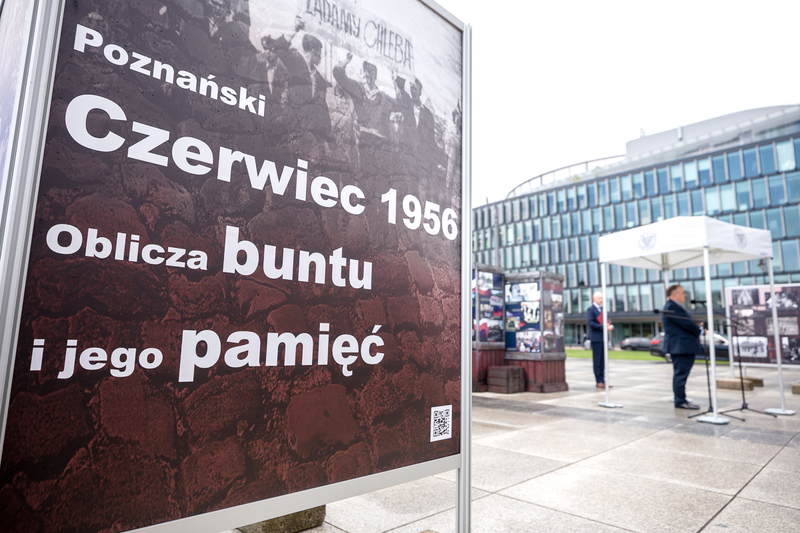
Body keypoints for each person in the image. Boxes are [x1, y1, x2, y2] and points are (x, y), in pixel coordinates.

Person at [662, 285, 702, 410]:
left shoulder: (674, 307)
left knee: (681, 374)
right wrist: (699, 330)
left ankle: (680, 398)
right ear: (675, 294)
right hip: (681, 347)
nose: (685, 295)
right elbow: (687, 324)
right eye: (683, 293)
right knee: (680, 375)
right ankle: (680, 400)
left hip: (682, 347)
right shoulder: (671, 307)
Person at [587, 291, 614, 388]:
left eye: (602, 298)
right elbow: (591, 323)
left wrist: (610, 326)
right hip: (596, 339)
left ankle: (603, 380)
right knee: (597, 361)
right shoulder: (591, 309)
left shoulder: (603, 309)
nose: (601, 300)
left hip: (604, 338)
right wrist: (604, 327)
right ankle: (598, 381)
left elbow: (607, 322)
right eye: (599, 298)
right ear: (594, 299)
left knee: (603, 361)